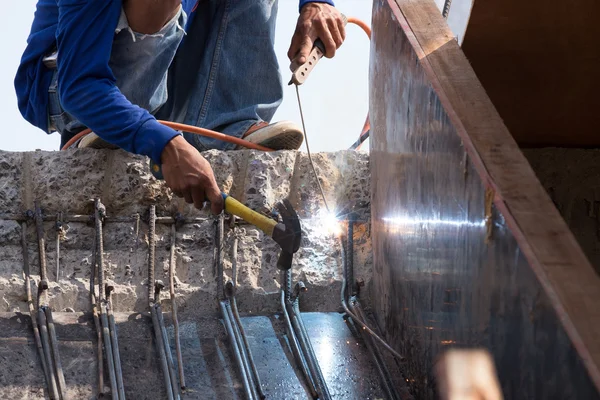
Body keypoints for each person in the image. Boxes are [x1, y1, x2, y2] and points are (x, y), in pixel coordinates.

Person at [15, 0, 346, 214]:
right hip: (73, 86)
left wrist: (316, 4)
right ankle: (107, 124)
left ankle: (230, 121)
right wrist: (165, 145)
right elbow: (80, 86)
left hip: (166, 70)